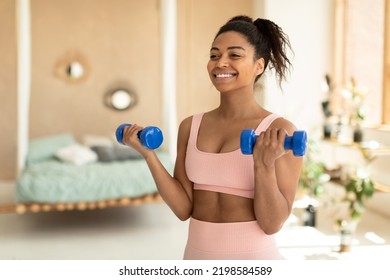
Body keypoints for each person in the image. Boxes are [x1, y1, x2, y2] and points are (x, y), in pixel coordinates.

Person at [122, 15, 303, 260]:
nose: (220, 63)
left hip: (254, 260)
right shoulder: (191, 126)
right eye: (214, 55)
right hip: (197, 257)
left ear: (259, 66)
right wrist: (148, 155)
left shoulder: (280, 131)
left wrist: (264, 164)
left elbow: (272, 224)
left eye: (235, 55)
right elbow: (183, 208)